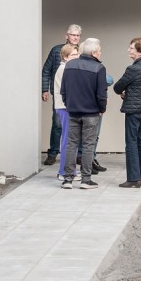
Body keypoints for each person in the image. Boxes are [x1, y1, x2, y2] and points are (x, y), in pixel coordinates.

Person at [60, 37, 108, 189]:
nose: (100, 53)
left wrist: (69, 104)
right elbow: (101, 94)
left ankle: (68, 179)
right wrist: (102, 109)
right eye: (99, 51)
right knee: (88, 145)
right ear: (93, 52)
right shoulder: (99, 68)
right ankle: (86, 180)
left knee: (71, 144)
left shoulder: (69, 65)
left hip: (73, 111)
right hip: (91, 113)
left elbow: (63, 90)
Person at [114, 37, 141, 188]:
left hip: (134, 109)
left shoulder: (133, 69)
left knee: (131, 142)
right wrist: (130, 91)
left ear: (140, 51)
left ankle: (133, 179)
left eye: (131, 48)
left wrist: (125, 92)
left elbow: (118, 87)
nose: (128, 50)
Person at [41, 23, 82, 165]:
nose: (75, 37)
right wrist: (44, 89)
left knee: (79, 124)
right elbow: (46, 70)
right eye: (73, 35)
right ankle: (53, 153)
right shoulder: (56, 51)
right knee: (57, 124)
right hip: (59, 94)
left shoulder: (82, 51)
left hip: (78, 95)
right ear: (66, 36)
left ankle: (79, 155)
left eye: (78, 35)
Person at [54, 42, 79, 179]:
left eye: (77, 54)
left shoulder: (67, 68)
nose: (76, 57)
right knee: (68, 140)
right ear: (65, 57)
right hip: (65, 107)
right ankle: (64, 171)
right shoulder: (64, 69)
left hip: (66, 106)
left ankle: (70, 170)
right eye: (73, 55)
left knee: (71, 139)